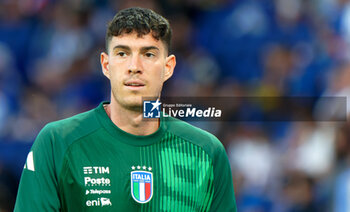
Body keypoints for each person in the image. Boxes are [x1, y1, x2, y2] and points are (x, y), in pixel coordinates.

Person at [14, 7, 237, 211]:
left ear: (168, 68)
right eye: (122, 53)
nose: (134, 67)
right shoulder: (57, 142)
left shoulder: (206, 151)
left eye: (148, 54)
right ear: (105, 65)